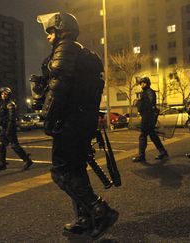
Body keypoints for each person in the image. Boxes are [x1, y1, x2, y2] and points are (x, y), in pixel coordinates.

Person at [32, 12, 118, 239]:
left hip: (70, 121)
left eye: (51, 31)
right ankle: (85, 218)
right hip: (83, 120)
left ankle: (100, 210)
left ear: (62, 30)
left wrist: (48, 117)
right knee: (76, 169)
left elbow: (59, 87)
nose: (48, 35)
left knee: (61, 172)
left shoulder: (66, 48)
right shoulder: (85, 54)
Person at [0, 87, 33, 171]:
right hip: (4, 128)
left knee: (14, 145)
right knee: (1, 145)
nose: (3, 95)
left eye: (5, 94)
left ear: (9, 95)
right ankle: (2, 163)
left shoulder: (10, 104)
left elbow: (12, 118)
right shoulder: (3, 105)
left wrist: (9, 129)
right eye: (2, 94)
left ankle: (27, 160)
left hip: (10, 128)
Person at [132, 77, 168, 162]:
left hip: (148, 117)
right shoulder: (144, 92)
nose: (142, 84)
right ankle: (163, 152)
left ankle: (141, 156)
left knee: (143, 135)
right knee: (153, 135)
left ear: (147, 83)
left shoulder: (149, 92)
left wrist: (139, 102)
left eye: (143, 82)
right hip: (148, 117)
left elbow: (150, 104)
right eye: (141, 83)